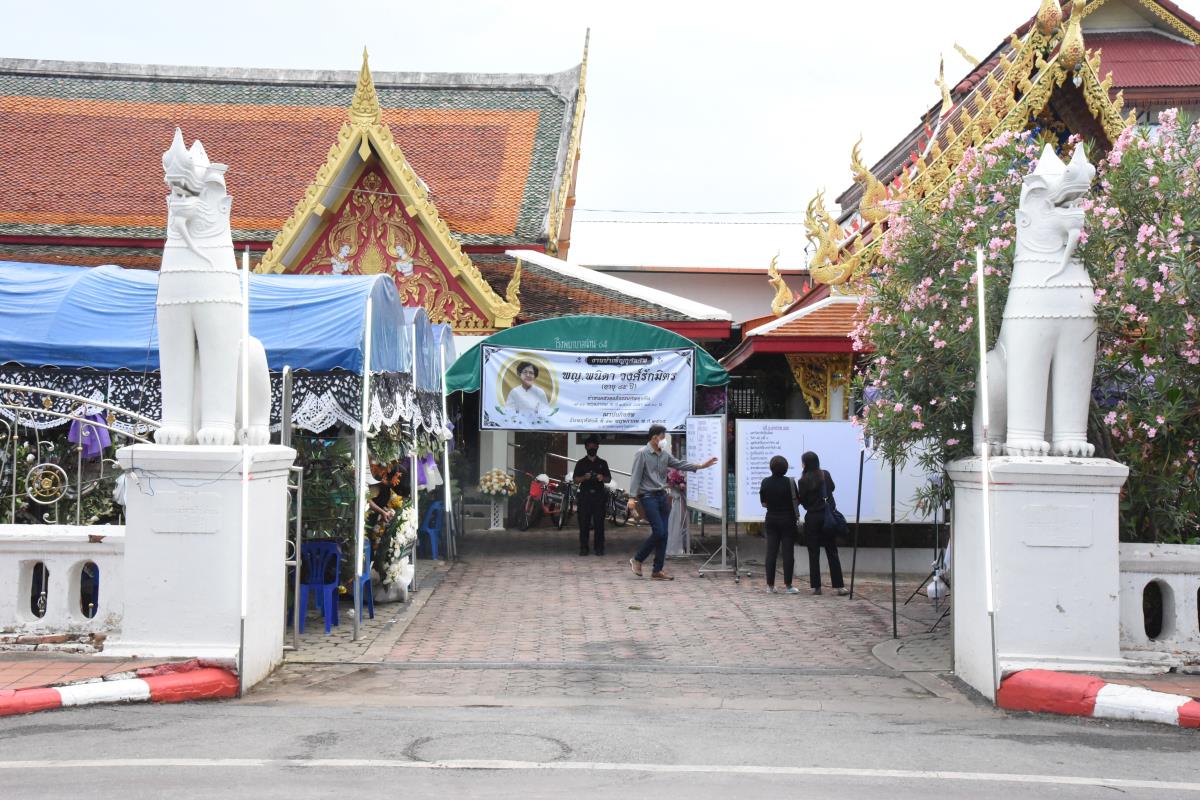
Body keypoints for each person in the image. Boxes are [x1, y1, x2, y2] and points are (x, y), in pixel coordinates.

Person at [628, 424, 718, 581]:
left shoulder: (664, 455)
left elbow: (679, 464)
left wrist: (701, 466)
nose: (664, 440)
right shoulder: (641, 454)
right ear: (654, 437)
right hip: (648, 497)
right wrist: (631, 498)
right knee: (659, 531)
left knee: (665, 534)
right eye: (662, 437)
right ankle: (638, 559)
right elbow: (635, 476)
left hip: (662, 496)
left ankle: (657, 570)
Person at [796, 451, 848, 595]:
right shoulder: (825, 474)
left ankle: (816, 587)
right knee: (832, 551)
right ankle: (839, 586)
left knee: (813, 552)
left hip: (812, 518)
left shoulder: (802, 480)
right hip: (827, 517)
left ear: (805, 463)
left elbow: (804, 502)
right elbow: (832, 488)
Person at [759, 455, 800, 594]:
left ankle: (770, 586)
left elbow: (764, 503)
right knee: (788, 552)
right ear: (786, 468)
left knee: (771, 552)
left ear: (771, 467)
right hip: (788, 519)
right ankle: (788, 586)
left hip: (771, 518)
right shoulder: (790, 482)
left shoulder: (765, 482)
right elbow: (797, 501)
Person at [573, 435, 612, 556]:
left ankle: (599, 547)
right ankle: (583, 547)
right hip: (585, 496)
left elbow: (608, 479)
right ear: (585, 447)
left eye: (594, 446)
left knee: (599, 523)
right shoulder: (581, 463)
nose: (592, 448)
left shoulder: (602, 463)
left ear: (598, 447)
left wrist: (601, 477)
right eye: (589, 446)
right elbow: (575, 480)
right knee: (584, 523)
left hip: (599, 496)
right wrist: (584, 477)